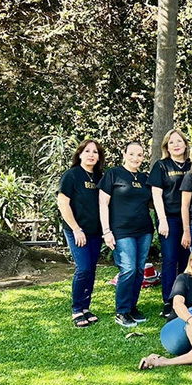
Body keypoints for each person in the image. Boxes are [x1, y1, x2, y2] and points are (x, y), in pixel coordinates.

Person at [137, 246, 192, 384]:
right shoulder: (183, 279)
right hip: (175, 334)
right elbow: (177, 304)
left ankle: (163, 362)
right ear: (191, 262)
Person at [99, 142, 154, 328]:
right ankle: (121, 311)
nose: (135, 158)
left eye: (139, 155)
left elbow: (154, 202)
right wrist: (106, 231)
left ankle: (132, 307)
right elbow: (103, 204)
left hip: (144, 230)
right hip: (122, 230)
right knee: (128, 269)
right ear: (124, 154)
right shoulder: (113, 174)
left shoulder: (145, 178)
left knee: (139, 270)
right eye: (131, 154)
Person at [57, 139, 106, 327]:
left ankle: (86, 307)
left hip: (95, 232)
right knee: (83, 268)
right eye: (87, 151)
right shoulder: (72, 175)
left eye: (95, 152)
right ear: (79, 154)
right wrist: (76, 229)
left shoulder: (100, 177)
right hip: (76, 230)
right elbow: (63, 204)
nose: (91, 154)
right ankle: (77, 309)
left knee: (91, 270)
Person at [148, 129, 192, 318]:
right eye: (171, 142)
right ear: (166, 146)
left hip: (191, 220)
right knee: (170, 259)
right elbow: (156, 195)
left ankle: (183, 299)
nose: (176, 145)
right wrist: (163, 220)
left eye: (179, 141)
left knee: (186, 260)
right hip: (170, 219)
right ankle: (169, 301)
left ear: (185, 144)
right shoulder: (161, 166)